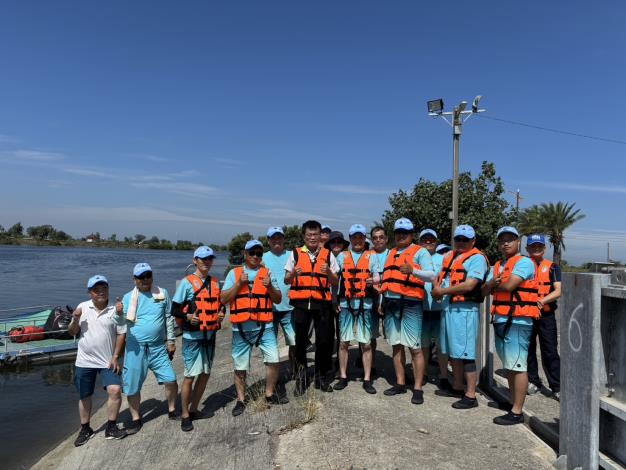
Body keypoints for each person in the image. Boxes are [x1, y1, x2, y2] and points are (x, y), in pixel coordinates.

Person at [220, 239, 286, 417]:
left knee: (273, 360)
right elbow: (223, 299)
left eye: (259, 253)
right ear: (245, 254)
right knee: (240, 366)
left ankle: (269, 394)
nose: (255, 256)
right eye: (252, 253)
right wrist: (238, 284)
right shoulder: (234, 273)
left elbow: (278, 299)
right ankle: (241, 399)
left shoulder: (267, 273)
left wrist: (269, 286)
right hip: (241, 329)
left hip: (265, 326)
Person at [482, 226, 540, 425]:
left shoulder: (524, 262)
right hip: (501, 318)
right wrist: (491, 284)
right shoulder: (499, 265)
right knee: (509, 365)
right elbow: (483, 291)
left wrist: (493, 284)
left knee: (517, 365)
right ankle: (512, 402)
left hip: (518, 320)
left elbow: (509, 285)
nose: (505, 243)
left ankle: (517, 412)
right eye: (502, 240)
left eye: (510, 239)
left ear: (518, 242)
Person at [432, 225, 489, 409]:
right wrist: (437, 290)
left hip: (464, 311)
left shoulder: (477, 258)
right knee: (453, 351)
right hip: (449, 309)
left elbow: (470, 285)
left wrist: (442, 291)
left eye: (466, 240)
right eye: (458, 239)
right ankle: (457, 387)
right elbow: (440, 278)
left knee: (466, 354)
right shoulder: (450, 256)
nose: (461, 242)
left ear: (473, 241)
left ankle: (471, 395)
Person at [117, 263, 178, 434]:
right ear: (134, 279)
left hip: (158, 347)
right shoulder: (127, 298)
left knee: (171, 380)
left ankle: (172, 410)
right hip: (135, 349)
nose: (145, 279)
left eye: (148, 275)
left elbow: (169, 318)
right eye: (141, 277)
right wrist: (118, 313)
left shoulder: (162, 293)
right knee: (132, 386)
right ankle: (136, 419)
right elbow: (120, 324)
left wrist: (171, 341)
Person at [380, 218, 435, 405]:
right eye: (398, 232)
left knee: (415, 348)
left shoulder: (420, 252)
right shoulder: (391, 253)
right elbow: (387, 279)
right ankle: (400, 383)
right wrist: (381, 301)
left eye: (405, 232)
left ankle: (418, 388)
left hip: (411, 304)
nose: (401, 235)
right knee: (396, 345)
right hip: (391, 303)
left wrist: (413, 271)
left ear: (412, 234)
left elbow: (431, 275)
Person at [68, 275, 127, 446]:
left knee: (115, 390)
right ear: (90, 293)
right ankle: (85, 429)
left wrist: (116, 357)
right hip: (84, 361)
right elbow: (72, 332)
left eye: (104, 288)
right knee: (84, 395)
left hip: (107, 360)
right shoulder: (82, 307)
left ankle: (111, 427)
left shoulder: (116, 309)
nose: (101, 292)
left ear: (108, 290)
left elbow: (121, 334)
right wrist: (75, 319)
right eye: (96, 289)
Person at [171, 246, 224, 432]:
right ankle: (185, 415)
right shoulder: (186, 283)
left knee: (205, 373)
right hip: (192, 337)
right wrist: (187, 317)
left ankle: (194, 409)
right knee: (190, 376)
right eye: (203, 259)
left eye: (210, 259)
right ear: (195, 261)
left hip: (209, 335)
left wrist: (221, 314)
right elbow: (174, 309)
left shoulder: (215, 282)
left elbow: (220, 305)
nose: (207, 262)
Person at [284, 220, 340, 395]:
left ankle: (321, 378)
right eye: (309, 235)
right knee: (300, 342)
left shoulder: (328, 255)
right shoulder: (295, 254)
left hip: (322, 303)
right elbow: (286, 279)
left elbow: (335, 281)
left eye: (315, 234)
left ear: (320, 236)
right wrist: (293, 273)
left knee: (323, 342)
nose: (313, 238)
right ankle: (301, 379)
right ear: (304, 236)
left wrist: (328, 271)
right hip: (301, 304)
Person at [333, 224, 378, 394]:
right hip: (346, 304)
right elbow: (335, 280)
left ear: (364, 239)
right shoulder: (342, 256)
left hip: (365, 304)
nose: (357, 240)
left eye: (360, 237)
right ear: (350, 239)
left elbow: (377, 277)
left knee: (366, 344)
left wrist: (373, 281)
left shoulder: (372, 256)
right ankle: (343, 376)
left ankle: (367, 379)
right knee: (343, 342)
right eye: (354, 237)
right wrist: (334, 300)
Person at [525, 234, 562, 400]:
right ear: (527, 248)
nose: (536, 249)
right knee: (528, 350)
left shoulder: (553, 267)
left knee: (550, 351)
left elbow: (558, 291)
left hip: (546, 315)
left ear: (544, 248)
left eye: (539, 246)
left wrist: (541, 301)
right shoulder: (523, 266)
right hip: (527, 314)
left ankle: (557, 386)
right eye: (532, 246)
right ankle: (533, 381)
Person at [262, 227, 297, 379]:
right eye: (273, 238)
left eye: (279, 237)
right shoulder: (262, 258)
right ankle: (272, 377)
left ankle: (294, 370)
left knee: (294, 342)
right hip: (269, 309)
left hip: (291, 307)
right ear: (268, 240)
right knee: (270, 344)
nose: (276, 240)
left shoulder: (292, 255)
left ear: (284, 239)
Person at [417, 228, 448, 387]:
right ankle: (423, 374)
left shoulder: (444, 259)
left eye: (431, 240)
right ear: (420, 242)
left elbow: (448, 280)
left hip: (439, 308)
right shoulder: (416, 258)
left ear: (436, 242)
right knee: (423, 345)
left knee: (442, 345)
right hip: (420, 308)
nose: (428, 242)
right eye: (424, 240)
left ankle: (444, 376)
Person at [325, 231, 349, 372]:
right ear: (329, 244)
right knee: (327, 334)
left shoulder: (348, 258)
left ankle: (341, 366)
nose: (336, 244)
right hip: (327, 300)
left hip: (342, 300)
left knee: (342, 335)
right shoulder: (324, 258)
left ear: (343, 244)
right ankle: (327, 363)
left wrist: (336, 301)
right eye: (333, 242)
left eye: (339, 242)